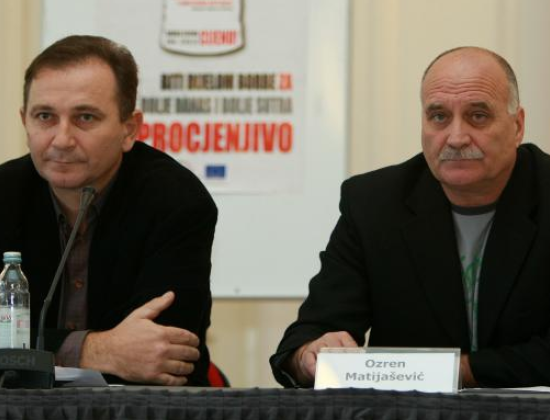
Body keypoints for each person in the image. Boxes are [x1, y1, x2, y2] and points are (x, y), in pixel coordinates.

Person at [271, 46, 550, 388]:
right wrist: (309, 356)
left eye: (478, 116)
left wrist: (451, 372)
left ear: (517, 126)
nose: (457, 138)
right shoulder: (374, 205)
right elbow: (307, 337)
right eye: (439, 117)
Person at [0, 35, 217, 386]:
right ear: (25, 121)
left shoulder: (176, 201)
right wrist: (96, 350)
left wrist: (34, 351)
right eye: (45, 116)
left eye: (85, 117)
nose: (62, 139)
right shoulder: (5, 193)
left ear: (129, 129)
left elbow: (164, 350)